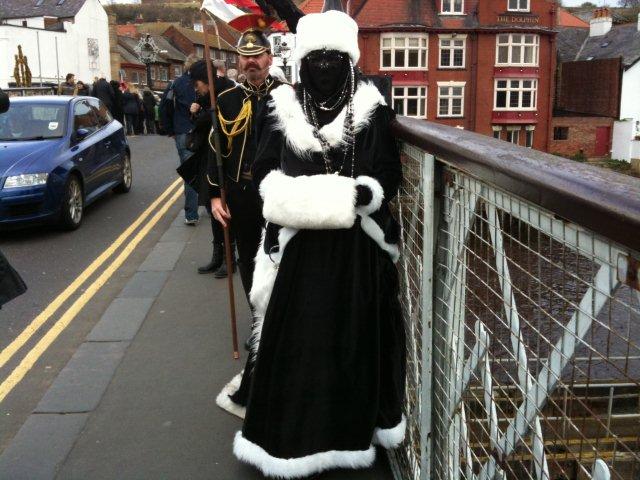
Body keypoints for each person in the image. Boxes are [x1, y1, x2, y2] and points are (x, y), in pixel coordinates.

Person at [219, 11, 406, 478]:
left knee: (350, 342)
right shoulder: (280, 106)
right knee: (299, 347)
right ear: (303, 59)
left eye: (333, 57)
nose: (324, 66)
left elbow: (388, 172)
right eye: (315, 57)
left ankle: (349, 435)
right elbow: (262, 170)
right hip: (299, 247)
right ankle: (292, 443)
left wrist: (363, 194)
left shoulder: (373, 108)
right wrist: (293, 200)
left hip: (354, 250)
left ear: (348, 59)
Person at [207, 25, 286, 305]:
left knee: (280, 256)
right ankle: (256, 322)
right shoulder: (226, 100)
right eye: (245, 55)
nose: (251, 61)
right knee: (249, 256)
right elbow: (216, 150)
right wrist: (215, 194)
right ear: (238, 61)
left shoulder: (287, 96)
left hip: (280, 192)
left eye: (257, 55)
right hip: (241, 192)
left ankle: (277, 324)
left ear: (269, 58)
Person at [185, 60, 236, 277]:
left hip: (223, 160)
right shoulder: (206, 96)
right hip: (208, 157)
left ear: (205, 80)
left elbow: (217, 121)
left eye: (197, 85)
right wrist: (196, 111)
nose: (197, 90)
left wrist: (201, 114)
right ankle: (217, 256)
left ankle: (229, 257)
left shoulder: (226, 92)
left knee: (224, 208)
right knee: (211, 205)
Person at [169, 55, 201, 227]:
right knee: (205, 168)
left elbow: (166, 105)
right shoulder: (201, 82)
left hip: (181, 130)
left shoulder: (176, 83)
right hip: (199, 130)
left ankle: (191, 214)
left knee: (189, 172)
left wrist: (170, 130)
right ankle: (211, 207)